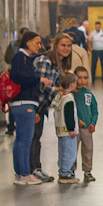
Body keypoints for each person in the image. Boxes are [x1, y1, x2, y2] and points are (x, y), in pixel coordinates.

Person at [8, 30, 48, 186]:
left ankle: (19, 172)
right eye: (37, 42)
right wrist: (38, 79)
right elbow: (17, 75)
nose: (40, 46)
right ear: (28, 42)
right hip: (25, 103)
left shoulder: (24, 58)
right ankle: (24, 173)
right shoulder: (21, 57)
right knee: (25, 140)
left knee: (21, 139)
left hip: (22, 103)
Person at [31, 40, 59, 181]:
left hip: (41, 106)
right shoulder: (44, 61)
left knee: (36, 137)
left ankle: (37, 168)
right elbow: (40, 88)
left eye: (68, 46)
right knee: (33, 137)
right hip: (35, 104)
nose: (66, 49)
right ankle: (32, 170)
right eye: (63, 45)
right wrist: (36, 109)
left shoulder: (55, 65)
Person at [53, 72, 80, 184]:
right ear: (72, 84)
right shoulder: (69, 98)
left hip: (60, 130)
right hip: (68, 131)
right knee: (70, 152)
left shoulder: (60, 95)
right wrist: (72, 129)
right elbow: (69, 114)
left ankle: (62, 171)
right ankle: (66, 173)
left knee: (62, 152)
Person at [74, 66, 98, 183]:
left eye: (85, 78)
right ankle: (70, 171)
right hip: (74, 128)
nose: (82, 80)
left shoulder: (88, 94)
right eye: (79, 78)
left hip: (86, 128)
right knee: (72, 149)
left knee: (88, 148)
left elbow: (94, 110)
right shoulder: (71, 94)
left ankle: (87, 171)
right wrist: (77, 120)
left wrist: (93, 122)